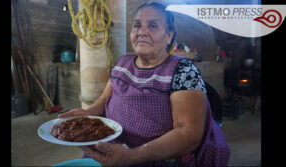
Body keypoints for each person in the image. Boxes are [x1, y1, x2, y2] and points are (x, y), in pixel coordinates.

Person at [58, 2, 230, 167]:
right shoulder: (123, 62)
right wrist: (87, 113)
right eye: (137, 25)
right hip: (110, 145)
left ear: (168, 36)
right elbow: (104, 99)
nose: (141, 32)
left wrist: (132, 155)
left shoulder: (183, 70)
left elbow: (189, 134)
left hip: (153, 157)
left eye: (153, 25)